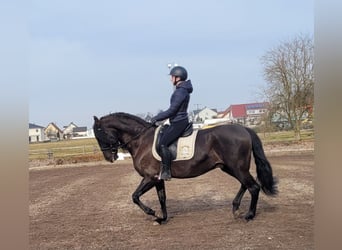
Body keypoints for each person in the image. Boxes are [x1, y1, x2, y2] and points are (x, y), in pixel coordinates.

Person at [150, 66, 193, 181]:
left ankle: (166, 171)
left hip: (179, 122)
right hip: (178, 120)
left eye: (172, 77)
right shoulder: (182, 90)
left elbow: (172, 110)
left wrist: (156, 118)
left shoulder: (180, 91)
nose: (170, 79)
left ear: (177, 77)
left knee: (163, 143)